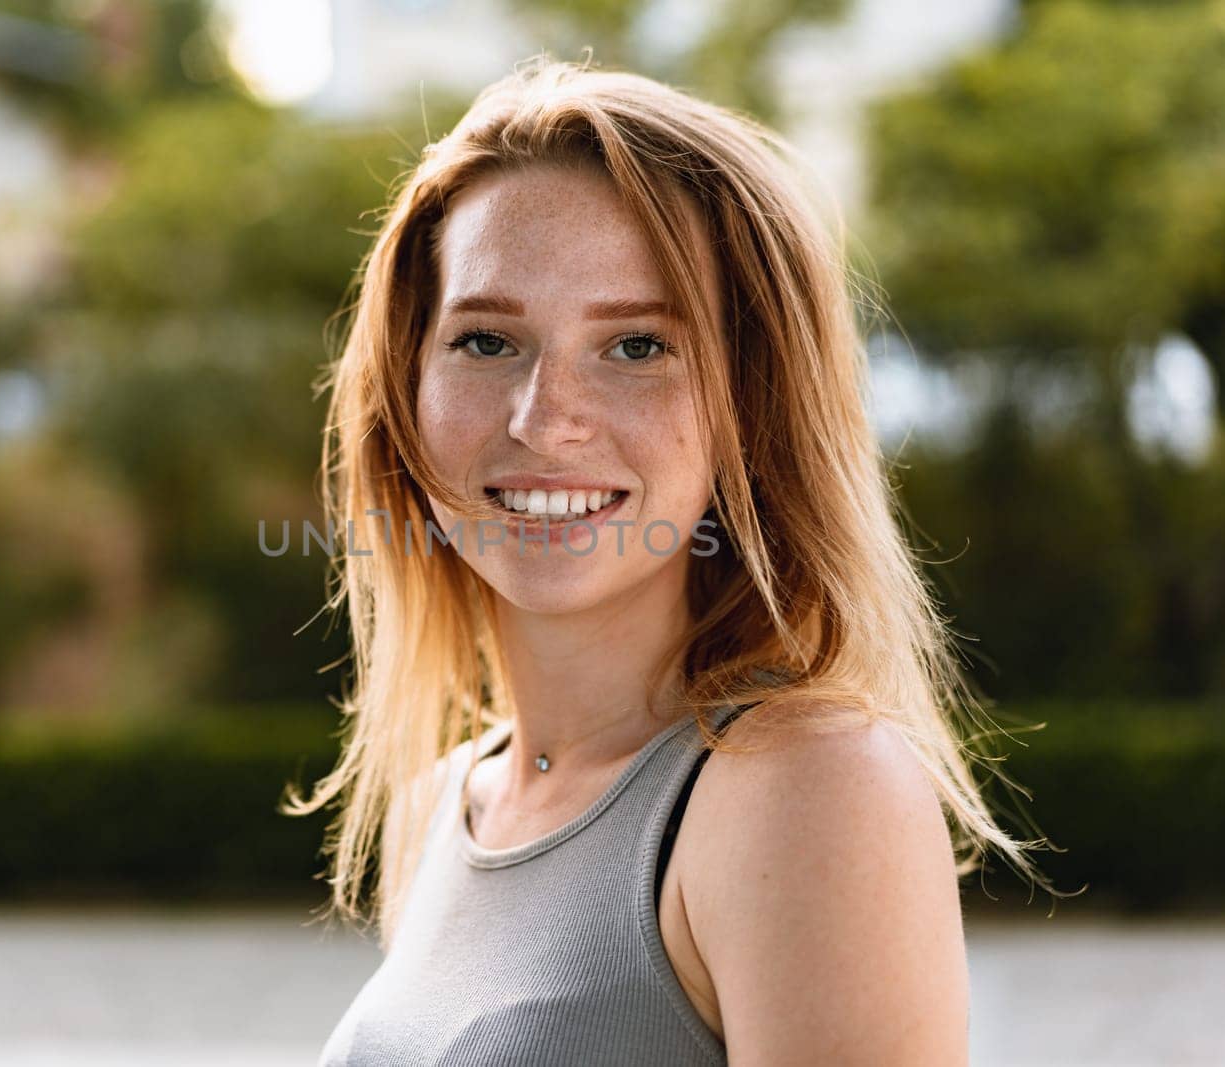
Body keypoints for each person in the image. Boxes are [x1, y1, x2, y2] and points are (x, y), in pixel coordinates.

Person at [288, 54, 1049, 1066]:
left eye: (637, 345)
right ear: (406, 391)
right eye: (485, 341)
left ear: (753, 406)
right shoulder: (440, 802)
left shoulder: (808, 788)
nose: (545, 419)